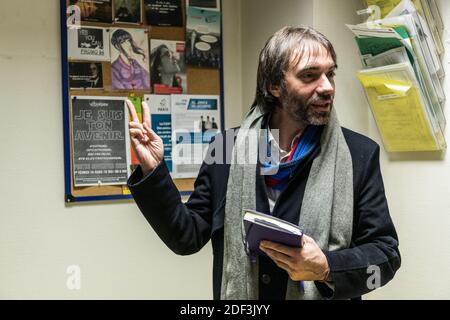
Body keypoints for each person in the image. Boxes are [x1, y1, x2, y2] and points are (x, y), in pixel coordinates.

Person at [126, 26, 401, 300]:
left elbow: (386, 256)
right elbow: (186, 237)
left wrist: (326, 267)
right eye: (309, 75)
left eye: (330, 73)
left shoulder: (359, 154)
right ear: (274, 86)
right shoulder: (227, 148)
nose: (327, 86)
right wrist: (154, 169)